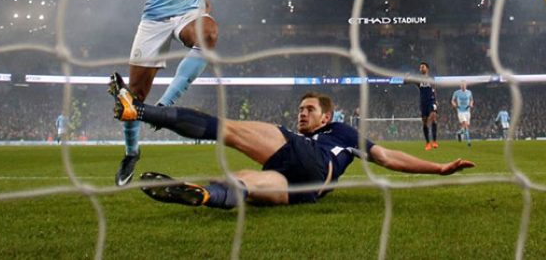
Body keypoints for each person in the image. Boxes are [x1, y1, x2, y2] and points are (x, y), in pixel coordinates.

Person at [60, 0, 219, 186]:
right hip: (155, 20)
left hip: (188, 13)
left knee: (209, 35)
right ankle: (132, 153)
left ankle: (164, 108)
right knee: (133, 97)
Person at [108, 86, 474, 208]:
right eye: (300, 110)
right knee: (244, 182)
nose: (302, 114)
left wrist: (438, 168)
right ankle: (203, 195)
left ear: (326, 117)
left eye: (309, 110)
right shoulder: (319, 136)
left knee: (228, 129)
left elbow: (387, 157)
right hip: (307, 188)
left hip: (310, 159)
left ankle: (138, 109)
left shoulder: (341, 133)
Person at [405, 61, 438, 150]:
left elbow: (434, 89)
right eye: (420, 67)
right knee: (424, 121)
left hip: (431, 101)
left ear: (427, 68)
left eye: (422, 67)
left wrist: (436, 100)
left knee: (433, 116)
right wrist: (406, 77)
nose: (421, 68)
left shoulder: (431, 78)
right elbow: (405, 82)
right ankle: (428, 143)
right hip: (423, 103)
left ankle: (434, 141)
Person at [451, 81, 474, 147]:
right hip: (460, 111)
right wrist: (454, 104)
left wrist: (471, 104)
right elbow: (452, 100)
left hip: (467, 111)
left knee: (466, 126)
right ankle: (468, 142)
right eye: (462, 85)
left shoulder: (469, 92)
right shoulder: (456, 92)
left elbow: (472, 100)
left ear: (466, 85)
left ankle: (459, 132)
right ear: (460, 86)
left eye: (464, 85)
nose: (463, 86)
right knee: (465, 125)